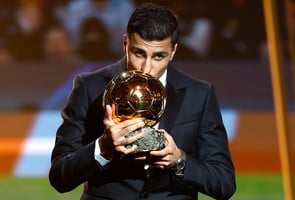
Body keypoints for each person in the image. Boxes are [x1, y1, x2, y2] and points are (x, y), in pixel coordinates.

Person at [49, 3, 236, 200]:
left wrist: (178, 160)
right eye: (139, 53)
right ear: (125, 44)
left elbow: (224, 183)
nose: (146, 68)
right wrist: (103, 147)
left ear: (173, 52)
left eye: (158, 56)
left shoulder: (199, 94)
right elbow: (59, 177)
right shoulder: (89, 87)